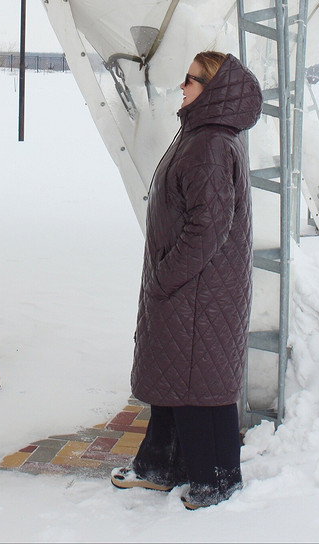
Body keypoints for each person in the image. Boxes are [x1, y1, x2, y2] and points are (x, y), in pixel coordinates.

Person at [111, 51, 263, 510]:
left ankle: (216, 480)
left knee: (199, 386)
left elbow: (208, 227)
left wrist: (165, 277)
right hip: (194, 288)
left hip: (195, 290)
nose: (182, 86)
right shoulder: (204, 134)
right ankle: (160, 465)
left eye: (192, 80)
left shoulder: (210, 145)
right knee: (178, 377)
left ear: (212, 90)